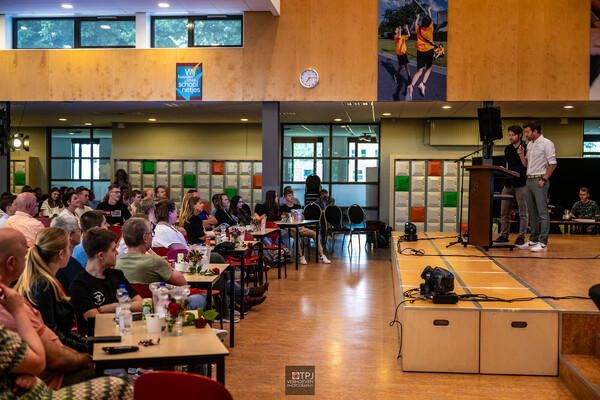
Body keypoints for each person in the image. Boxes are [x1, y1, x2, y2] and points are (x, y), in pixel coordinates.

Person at [0, 281, 133, 399]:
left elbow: (23, 358)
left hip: (40, 380)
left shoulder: (16, 297)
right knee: (117, 382)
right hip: (47, 385)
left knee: (111, 374)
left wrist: (17, 373)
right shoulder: (21, 299)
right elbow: (46, 360)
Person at [0, 228, 95, 389]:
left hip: (41, 366)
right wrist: (86, 354)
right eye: (23, 255)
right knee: (115, 381)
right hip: (48, 372)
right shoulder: (31, 290)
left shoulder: (18, 293)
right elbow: (45, 356)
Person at [14, 227, 89, 354]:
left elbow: (62, 331)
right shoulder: (42, 285)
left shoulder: (44, 280)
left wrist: (88, 343)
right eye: (68, 248)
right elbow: (53, 336)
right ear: (61, 254)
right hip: (49, 354)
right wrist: (88, 349)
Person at [116, 218, 207, 311]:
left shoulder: (118, 265)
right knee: (202, 298)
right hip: (162, 310)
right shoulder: (154, 261)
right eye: (151, 234)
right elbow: (183, 283)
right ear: (145, 238)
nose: (152, 237)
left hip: (133, 311)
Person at [69, 228, 143, 335]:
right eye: (113, 250)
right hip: (101, 340)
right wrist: (127, 308)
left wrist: (115, 307)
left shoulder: (117, 275)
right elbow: (99, 321)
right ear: (101, 256)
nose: (117, 253)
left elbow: (141, 305)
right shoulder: (79, 285)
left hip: (128, 332)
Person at [517, 121, 557, 252]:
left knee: (542, 213)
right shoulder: (529, 145)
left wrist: (544, 178)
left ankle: (543, 242)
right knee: (532, 213)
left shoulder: (547, 143)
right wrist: (521, 155)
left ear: (535, 132)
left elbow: (553, 163)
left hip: (540, 179)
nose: (526, 134)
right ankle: (533, 239)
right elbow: (525, 164)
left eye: (528, 132)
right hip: (529, 179)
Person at [494, 125, 529, 246]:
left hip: (521, 183)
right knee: (504, 211)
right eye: (509, 135)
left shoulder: (526, 147)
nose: (510, 137)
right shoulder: (507, 149)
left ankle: (521, 236)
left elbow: (526, 165)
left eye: (513, 135)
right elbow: (509, 165)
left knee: (523, 212)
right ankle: (504, 235)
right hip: (508, 183)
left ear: (519, 135)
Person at [280, 188, 330, 264]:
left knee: (314, 233)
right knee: (296, 234)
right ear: (285, 198)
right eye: (289, 196)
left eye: (292, 195)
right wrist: (283, 217)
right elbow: (281, 219)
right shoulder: (282, 208)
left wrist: (300, 216)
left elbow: (302, 218)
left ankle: (322, 255)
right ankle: (301, 256)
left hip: (300, 227)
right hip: (289, 228)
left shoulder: (297, 206)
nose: (292, 197)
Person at [50, 214, 84, 293]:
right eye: (79, 230)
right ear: (70, 235)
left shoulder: (51, 257)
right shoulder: (69, 263)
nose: (81, 233)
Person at [407, 6, 435, 100]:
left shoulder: (418, 28)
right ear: (429, 23)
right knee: (429, 68)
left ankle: (411, 85)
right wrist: (429, 10)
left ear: (422, 22)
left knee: (419, 71)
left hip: (420, 52)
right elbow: (430, 18)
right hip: (428, 51)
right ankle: (422, 84)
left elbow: (415, 24)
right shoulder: (431, 27)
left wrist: (417, 18)